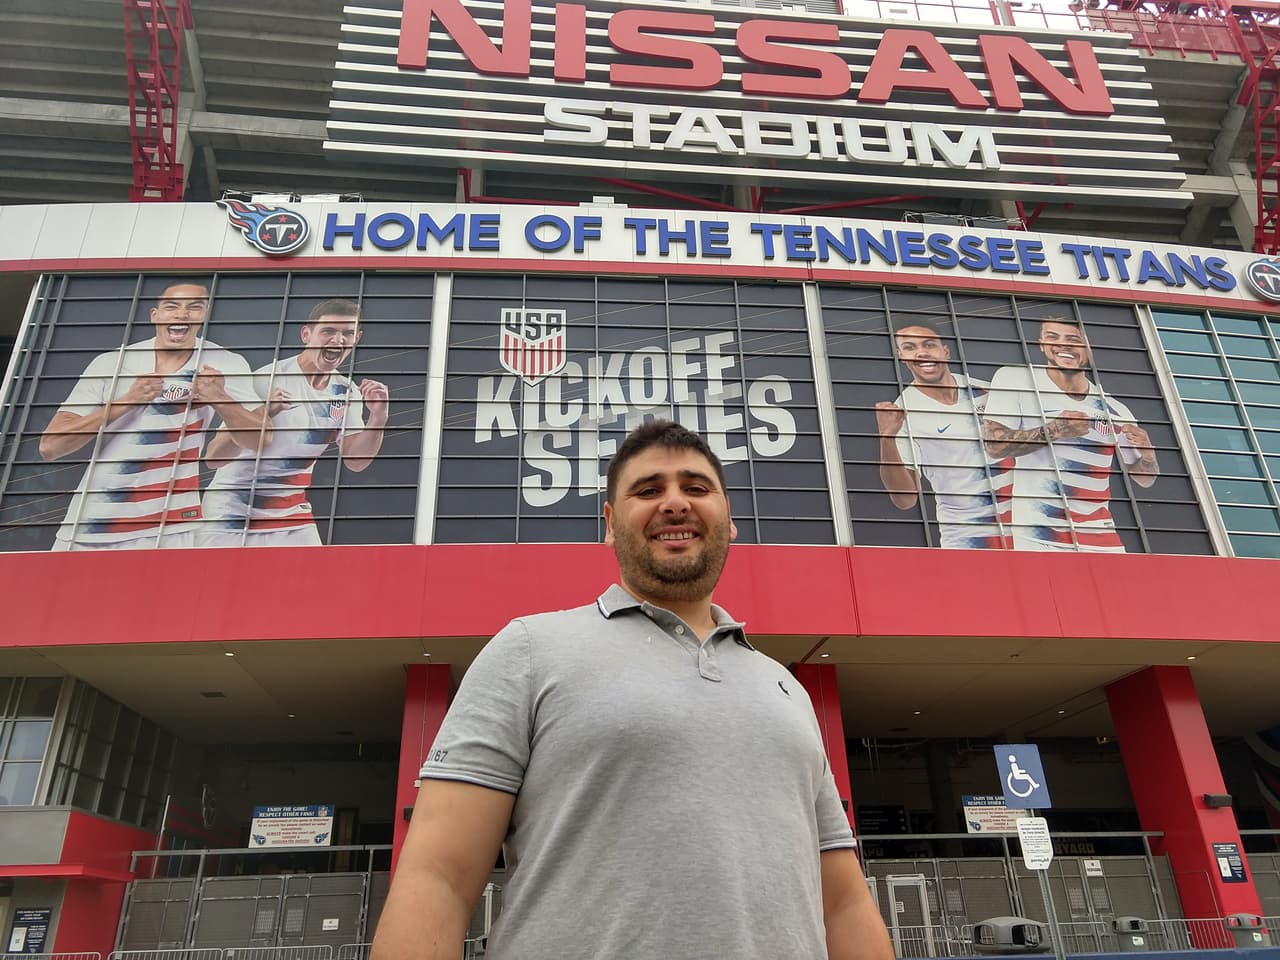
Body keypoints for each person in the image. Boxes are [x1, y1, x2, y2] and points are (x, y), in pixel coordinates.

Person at [372, 421, 893, 960]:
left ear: (729, 520)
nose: (675, 504)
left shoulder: (786, 688)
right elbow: (439, 876)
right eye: (648, 491)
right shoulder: (527, 649)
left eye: (696, 488)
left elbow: (843, 903)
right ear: (609, 523)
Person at [39, 282, 267, 550]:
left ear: (205, 315)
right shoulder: (112, 362)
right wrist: (128, 400)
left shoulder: (225, 363)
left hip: (171, 528)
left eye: (194, 307)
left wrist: (219, 397)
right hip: (91, 524)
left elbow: (261, 439)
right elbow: (50, 446)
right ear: (154, 315)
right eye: (172, 307)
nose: (182, 314)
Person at [198, 298, 389, 547]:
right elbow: (214, 457)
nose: (338, 340)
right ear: (306, 334)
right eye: (328, 331)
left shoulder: (345, 392)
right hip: (232, 511)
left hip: (291, 513)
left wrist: (378, 417)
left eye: (347, 333)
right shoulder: (266, 380)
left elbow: (355, 460)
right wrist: (266, 412)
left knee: (317, 585)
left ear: (357, 338)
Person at [982, 317, 1159, 551]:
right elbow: (994, 446)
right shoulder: (1017, 379)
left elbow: (1145, 478)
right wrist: (1054, 430)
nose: (1063, 345)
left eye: (1073, 339)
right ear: (1042, 344)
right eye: (1053, 337)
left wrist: (1148, 454)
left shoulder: (1114, 408)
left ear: (1088, 347)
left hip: (1102, 536)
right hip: (1039, 534)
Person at [875, 321, 1013, 549]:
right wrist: (887, 438)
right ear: (901, 356)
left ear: (945, 351)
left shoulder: (986, 391)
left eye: (929, 344)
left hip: (1025, 528)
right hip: (969, 539)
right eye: (909, 347)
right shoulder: (904, 412)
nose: (921, 352)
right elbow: (905, 499)